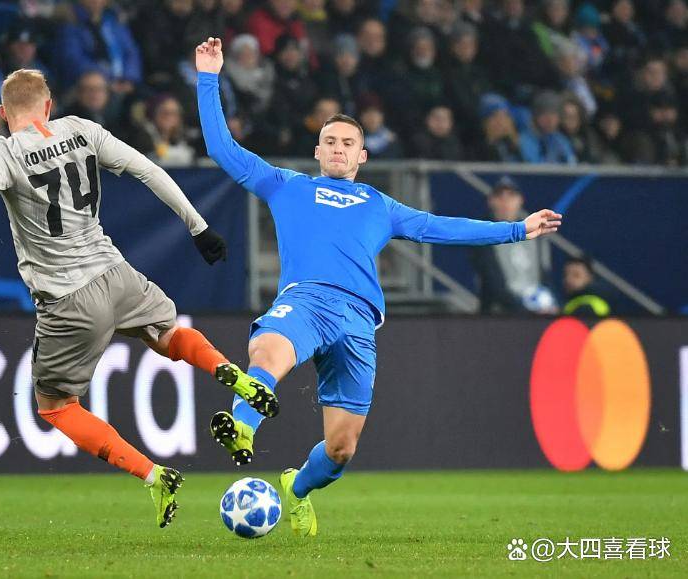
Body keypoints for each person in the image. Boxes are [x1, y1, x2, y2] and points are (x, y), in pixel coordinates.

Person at [0, 68, 278, 529]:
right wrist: (198, 226)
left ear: (2, 113)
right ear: (48, 106)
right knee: (167, 335)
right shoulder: (82, 129)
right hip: (117, 273)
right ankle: (231, 373)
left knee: (55, 405)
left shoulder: (4, 151)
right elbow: (146, 169)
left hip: (67, 298)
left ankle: (153, 474)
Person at [195, 37, 561, 536]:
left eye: (347, 143)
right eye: (330, 141)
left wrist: (516, 229)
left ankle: (297, 489)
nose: (338, 148)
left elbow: (440, 227)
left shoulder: (379, 205)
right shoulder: (287, 185)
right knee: (268, 349)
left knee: (341, 450)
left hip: (358, 319)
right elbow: (222, 149)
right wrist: (209, 78)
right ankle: (242, 425)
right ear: (317, 151)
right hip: (306, 300)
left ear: (362, 155)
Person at [470, 176, 556, 314]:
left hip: (535, 312)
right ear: (491, 201)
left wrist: (548, 302)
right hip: (500, 315)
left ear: (520, 200)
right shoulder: (483, 235)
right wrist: (523, 310)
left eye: (511, 196)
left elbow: (544, 275)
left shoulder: (535, 234)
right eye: (500, 197)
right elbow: (492, 281)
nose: (505, 202)